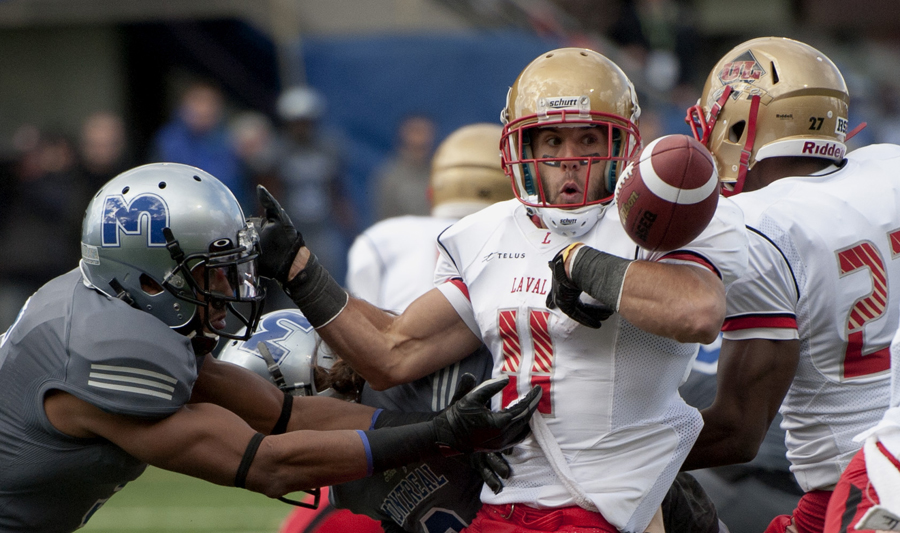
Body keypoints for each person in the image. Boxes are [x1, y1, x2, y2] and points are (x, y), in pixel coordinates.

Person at [252, 47, 747, 533]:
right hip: (505, 505)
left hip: (607, 508)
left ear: (623, 143)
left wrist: (583, 264)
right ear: (522, 149)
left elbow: (698, 312)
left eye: (588, 138)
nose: (570, 160)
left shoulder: (654, 222)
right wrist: (299, 269)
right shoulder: (484, 236)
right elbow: (392, 354)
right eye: (551, 141)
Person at [0, 162, 542, 533]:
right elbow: (268, 464)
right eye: (212, 274)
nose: (230, 290)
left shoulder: (119, 311)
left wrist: (442, 427)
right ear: (148, 280)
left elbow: (284, 415)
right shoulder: (102, 351)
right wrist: (439, 436)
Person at [680, 37, 899, 533]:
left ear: (740, 125)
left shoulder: (754, 224)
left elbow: (738, 431)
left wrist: (603, 454)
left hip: (858, 486)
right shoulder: (891, 165)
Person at [328, 123, 514, 532]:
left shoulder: (382, 238)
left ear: (433, 190)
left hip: (388, 427)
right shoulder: (517, 240)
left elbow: (360, 349)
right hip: (495, 426)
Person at [373, 113, 437, 221]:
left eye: (426, 131)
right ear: (403, 134)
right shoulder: (390, 177)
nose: (421, 138)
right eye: (416, 131)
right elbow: (385, 218)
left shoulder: (441, 173)